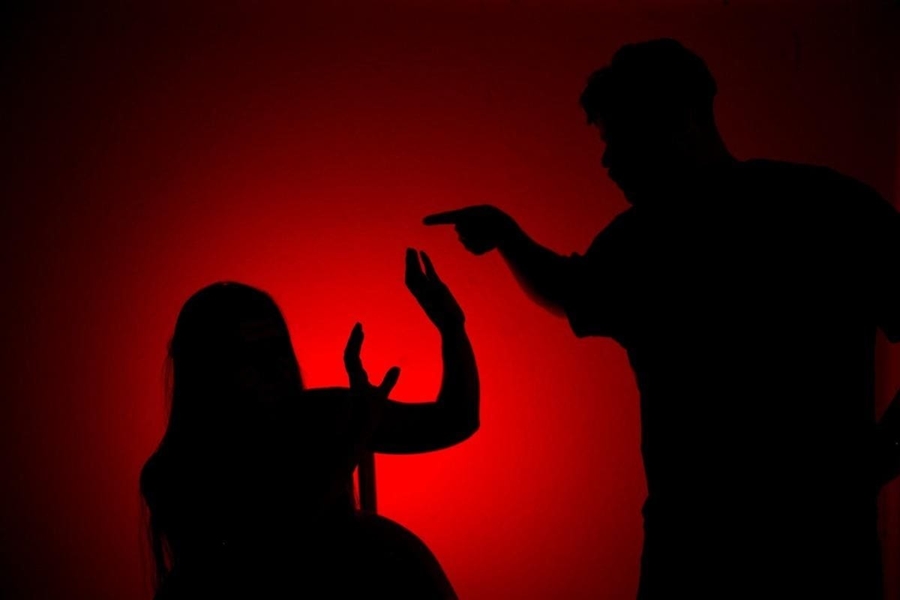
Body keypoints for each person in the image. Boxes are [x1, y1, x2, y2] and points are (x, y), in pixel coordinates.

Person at [424, 38, 900, 598]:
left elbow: (569, 293)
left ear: (682, 119)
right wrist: (870, 466)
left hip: (700, 553)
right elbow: (573, 293)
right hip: (813, 548)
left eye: (619, 137)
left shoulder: (646, 241)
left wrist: (874, 463)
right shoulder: (832, 205)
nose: (607, 162)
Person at [139, 248, 478, 599]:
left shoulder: (323, 413)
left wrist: (451, 326)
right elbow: (256, 562)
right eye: (249, 355)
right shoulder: (173, 474)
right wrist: (352, 441)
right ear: (207, 370)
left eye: (278, 348)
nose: (274, 367)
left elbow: (456, 420)